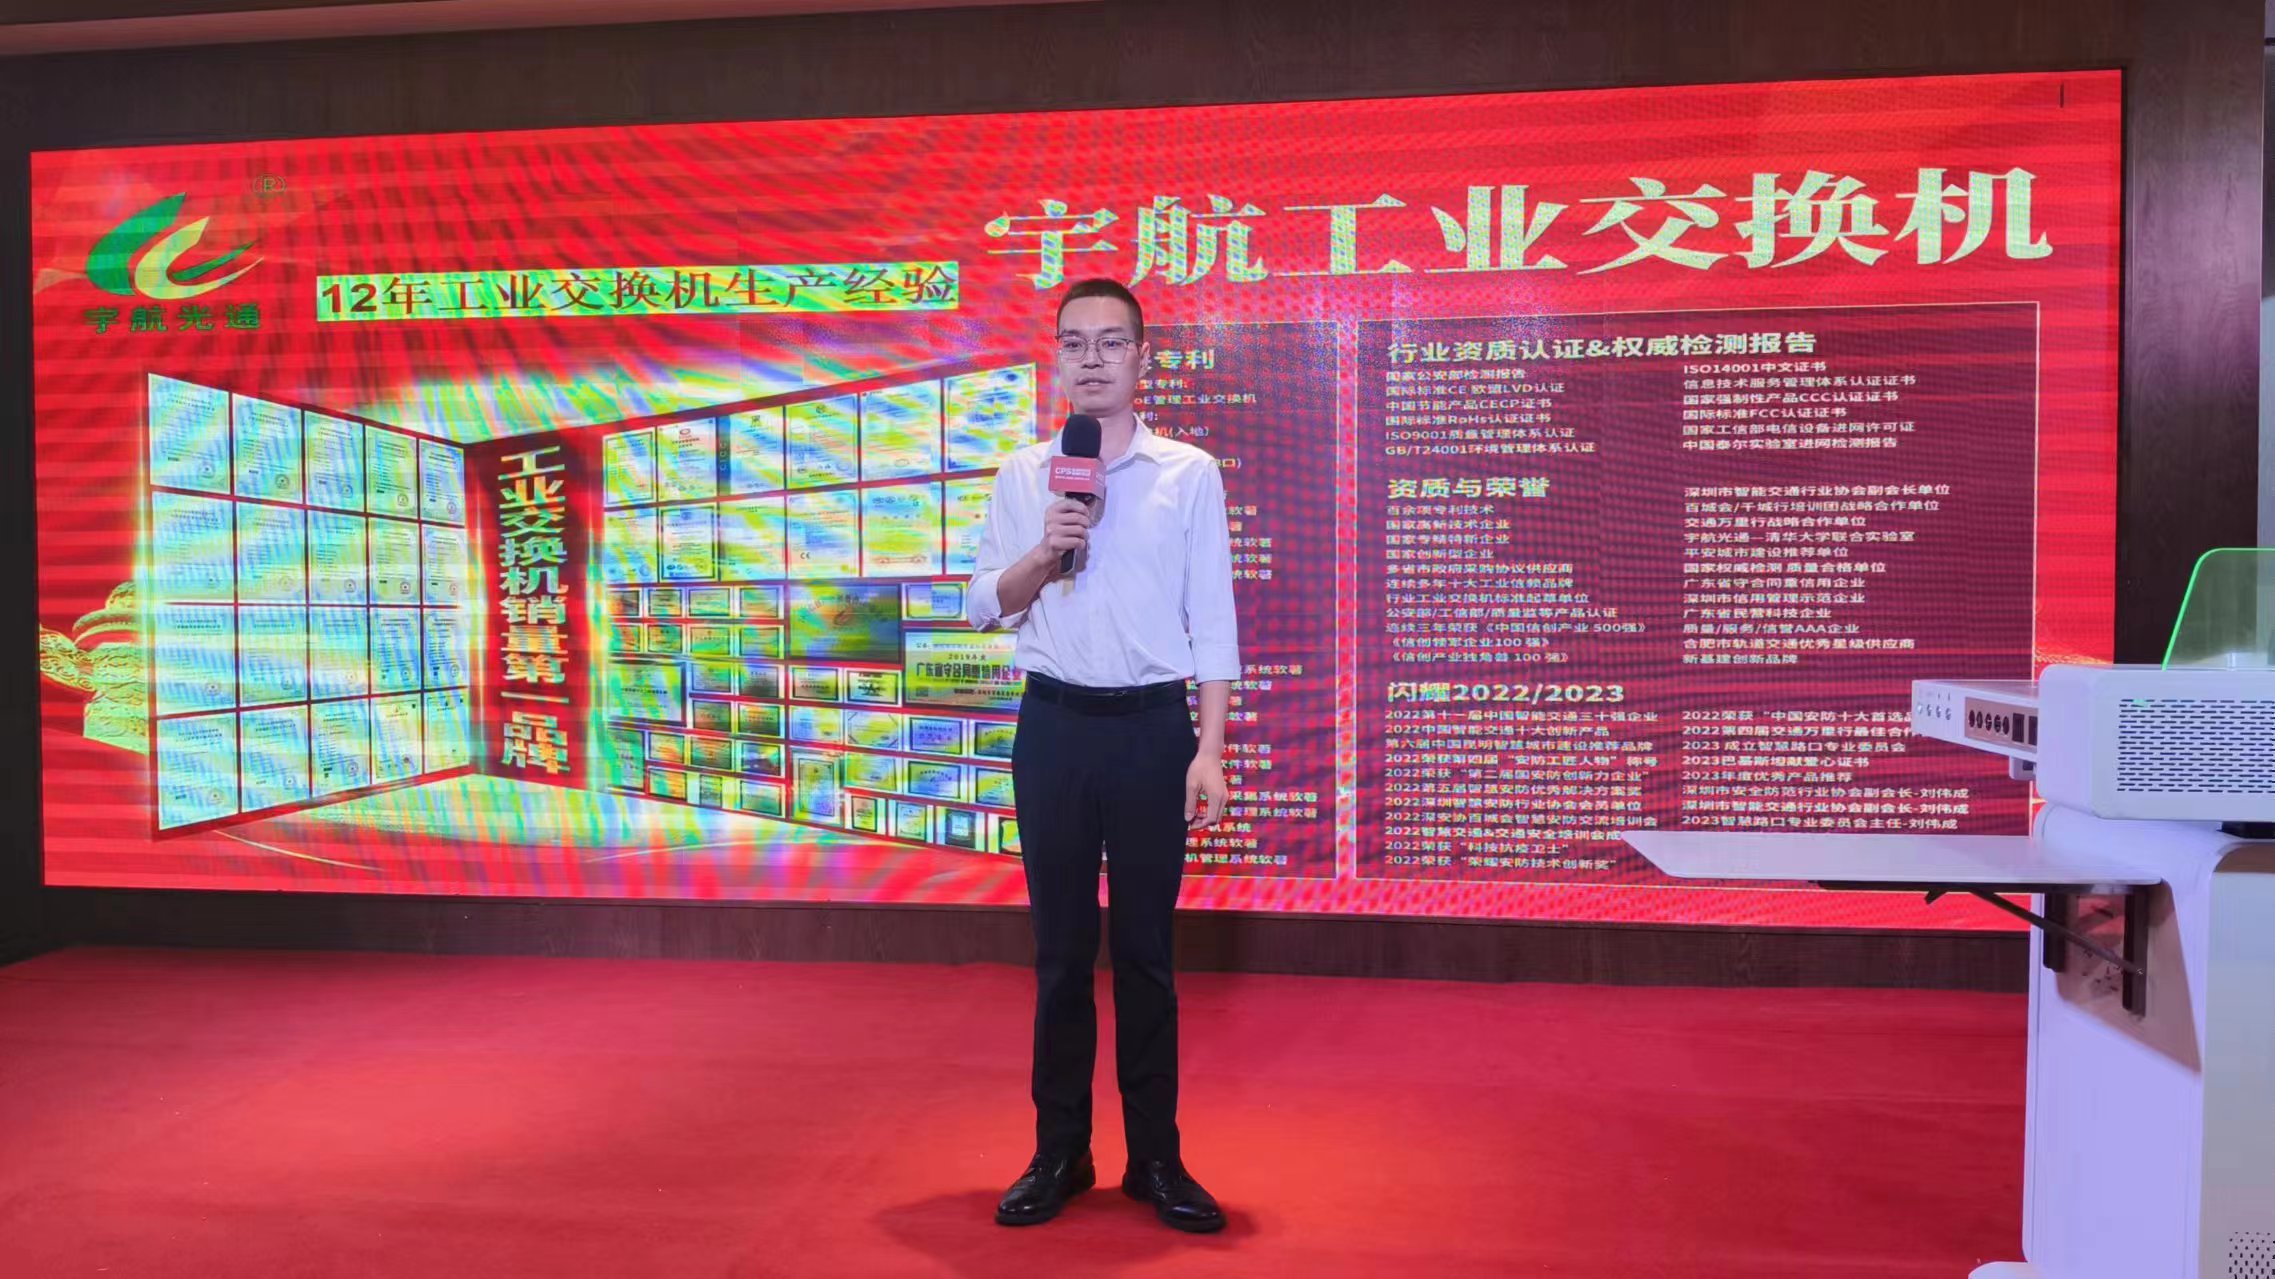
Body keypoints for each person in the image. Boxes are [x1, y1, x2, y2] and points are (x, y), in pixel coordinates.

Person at [965, 277, 1238, 1233]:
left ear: (1141, 358)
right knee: (1059, 953)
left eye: (1110, 342)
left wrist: (1209, 749)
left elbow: (1212, 619)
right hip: (1054, 729)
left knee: (1146, 953)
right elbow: (983, 604)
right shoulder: (1024, 473)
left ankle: (1155, 1158)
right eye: (1074, 343)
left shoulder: (1187, 472)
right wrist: (1047, 550)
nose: (1091, 359)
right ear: (1056, 358)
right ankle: (1060, 1150)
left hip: (1154, 732)